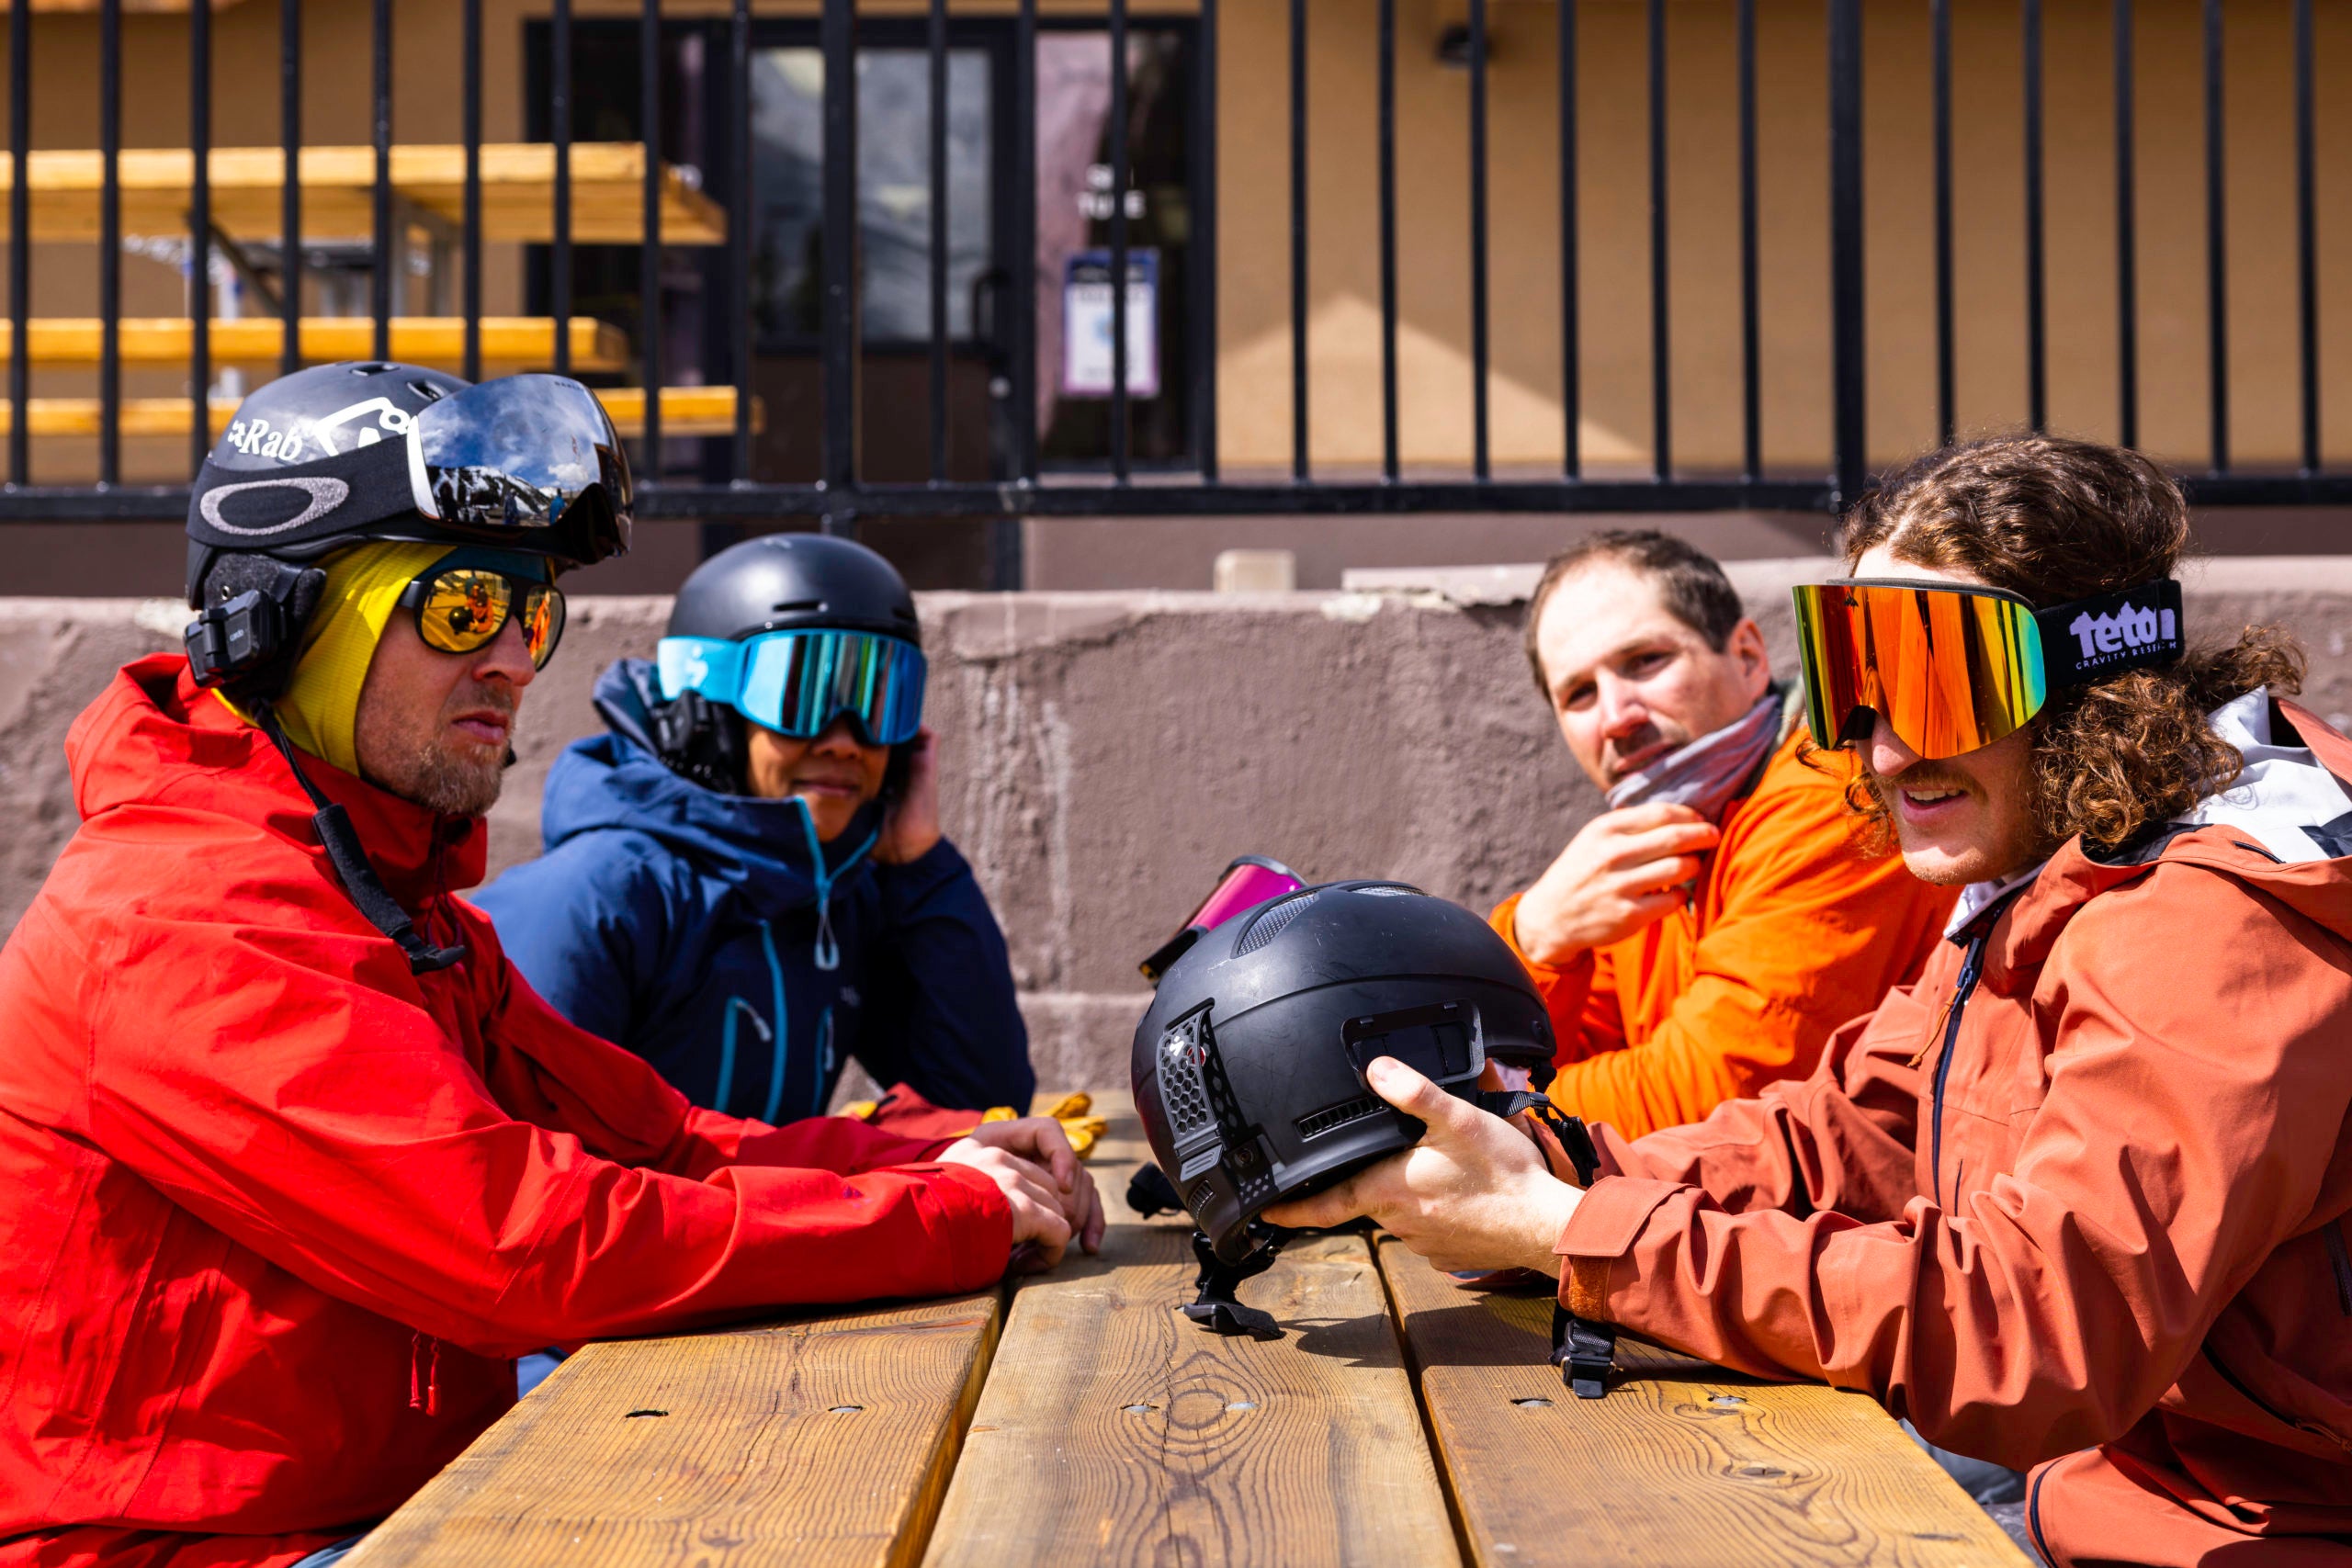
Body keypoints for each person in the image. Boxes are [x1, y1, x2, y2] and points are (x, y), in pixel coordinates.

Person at [0, 364, 1100, 1568]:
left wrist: (939, 1151)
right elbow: (521, 1241)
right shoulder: (180, 918)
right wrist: (945, 1215)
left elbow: (657, 1140)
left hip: (398, 1509)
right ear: (289, 620)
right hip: (188, 1549)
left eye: (532, 615)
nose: (517, 661)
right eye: (464, 608)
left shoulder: (394, 907)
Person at [1272, 436, 2352, 1566]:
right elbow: (1848, 1132)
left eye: (1933, 684)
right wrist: (1550, 1165)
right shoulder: (2066, 861)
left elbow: (2036, 1333)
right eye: (1855, 680)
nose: (1881, 752)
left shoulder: (2209, 923)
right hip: (2106, 1484)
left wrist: (1568, 1232)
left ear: (2095, 672)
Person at [475, 533, 1032, 1125]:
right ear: (706, 716)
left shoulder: (840, 898)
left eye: (877, 702)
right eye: (800, 696)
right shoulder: (593, 900)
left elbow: (979, 1101)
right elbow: (534, 1162)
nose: (845, 742)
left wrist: (921, 867)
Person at [1493, 531, 1956, 1139]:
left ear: (1748, 656)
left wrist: (1485, 1106)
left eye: (1646, 661)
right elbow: (1536, 1052)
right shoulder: (1651, 835)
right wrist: (1534, 941)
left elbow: (1710, 1095)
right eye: (1580, 694)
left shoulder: (1832, 794)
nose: (1616, 717)